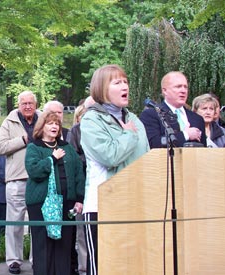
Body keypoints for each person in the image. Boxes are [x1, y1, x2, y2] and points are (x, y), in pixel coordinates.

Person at [80, 64, 149, 275]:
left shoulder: (134, 119)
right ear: (102, 88)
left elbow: (146, 158)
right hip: (102, 206)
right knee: (103, 267)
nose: (124, 85)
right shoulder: (91, 120)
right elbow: (110, 156)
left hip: (133, 203)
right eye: (117, 82)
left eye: (125, 81)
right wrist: (128, 135)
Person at [25, 111, 85, 275]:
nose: (54, 127)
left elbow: (79, 173)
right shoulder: (34, 147)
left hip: (67, 202)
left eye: (57, 124)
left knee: (64, 245)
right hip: (41, 204)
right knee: (43, 245)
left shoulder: (68, 148)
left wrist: (79, 199)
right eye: (50, 123)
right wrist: (52, 158)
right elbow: (34, 171)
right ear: (42, 126)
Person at [0, 90, 40, 274]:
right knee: (14, 223)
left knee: (38, 222)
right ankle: (14, 260)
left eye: (31, 103)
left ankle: (37, 259)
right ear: (18, 105)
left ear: (36, 105)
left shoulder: (43, 119)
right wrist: (22, 139)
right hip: (17, 178)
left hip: (39, 179)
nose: (28, 106)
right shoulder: (9, 121)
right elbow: (0, 147)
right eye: (24, 103)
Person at [66, 95, 95, 275]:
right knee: (84, 232)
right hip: (83, 187)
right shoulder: (76, 131)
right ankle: (84, 268)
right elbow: (72, 158)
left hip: (108, 187)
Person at [140, 71, 206, 148]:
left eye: (185, 87)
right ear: (165, 91)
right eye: (178, 86)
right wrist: (186, 135)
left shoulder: (197, 119)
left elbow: (203, 151)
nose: (183, 91)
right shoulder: (151, 115)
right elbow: (153, 143)